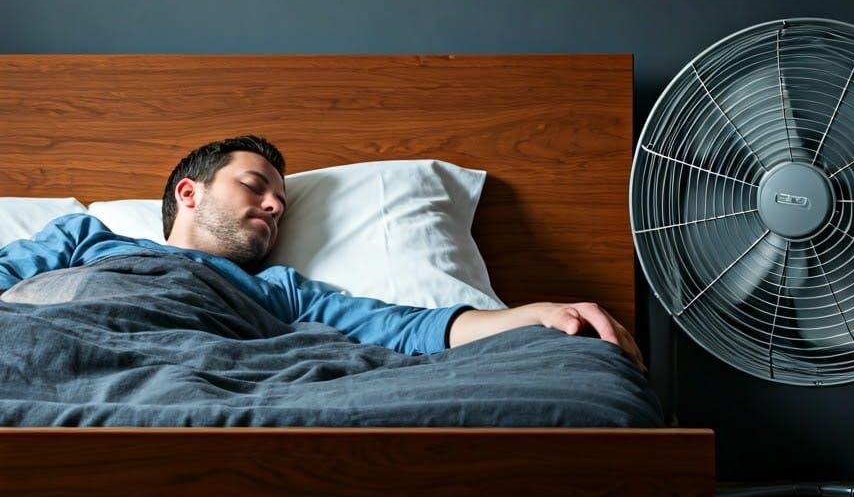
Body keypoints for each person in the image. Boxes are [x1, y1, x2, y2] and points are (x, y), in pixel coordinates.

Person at [0, 135, 643, 368]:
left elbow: (406, 328)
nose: (276, 206)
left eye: (281, 201)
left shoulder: (279, 291)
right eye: (256, 187)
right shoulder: (86, 240)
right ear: (189, 192)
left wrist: (534, 314)